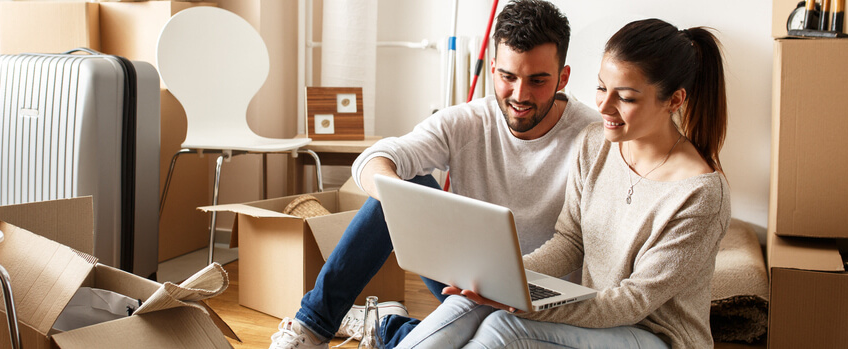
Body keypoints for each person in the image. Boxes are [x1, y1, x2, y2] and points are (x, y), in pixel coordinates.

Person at [269, 1, 599, 348]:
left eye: (538, 80)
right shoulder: (467, 121)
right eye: (508, 77)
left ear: (563, 77)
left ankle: (387, 327)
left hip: (545, 297)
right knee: (399, 185)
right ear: (492, 69)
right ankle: (313, 326)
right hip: (468, 283)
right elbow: (373, 159)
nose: (520, 94)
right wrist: (399, 197)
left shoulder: (594, 134)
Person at [391, 18, 732, 349]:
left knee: (505, 326)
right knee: (472, 302)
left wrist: (529, 306)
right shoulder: (595, 142)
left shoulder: (699, 193)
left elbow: (633, 301)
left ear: (674, 100)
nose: (604, 106)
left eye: (625, 98)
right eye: (601, 87)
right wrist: (503, 279)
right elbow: (570, 241)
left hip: (654, 334)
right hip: (599, 313)